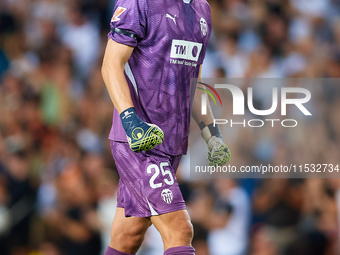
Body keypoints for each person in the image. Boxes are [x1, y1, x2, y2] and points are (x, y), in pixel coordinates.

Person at [101, 0, 231, 254]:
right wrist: (130, 120)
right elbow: (110, 64)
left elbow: (195, 81)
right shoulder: (140, 2)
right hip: (139, 140)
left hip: (173, 142)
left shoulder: (202, 9)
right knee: (180, 229)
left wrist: (212, 134)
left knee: (129, 234)